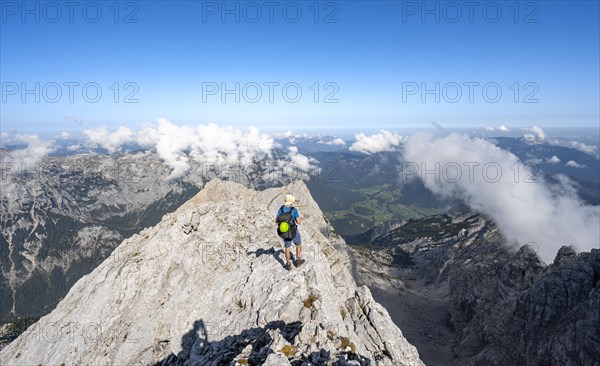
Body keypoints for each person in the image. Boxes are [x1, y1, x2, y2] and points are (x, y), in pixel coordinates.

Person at [275, 194, 304, 270]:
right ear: (291, 202)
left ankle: (288, 264)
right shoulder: (294, 210)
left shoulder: (281, 209)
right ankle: (297, 260)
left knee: (287, 247)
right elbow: (298, 221)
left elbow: (276, 220)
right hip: (293, 231)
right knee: (299, 244)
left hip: (284, 232)